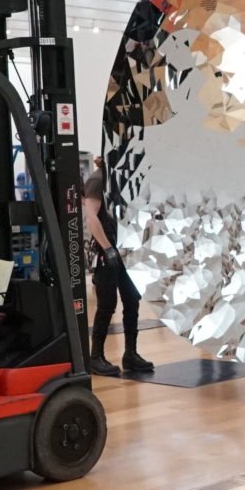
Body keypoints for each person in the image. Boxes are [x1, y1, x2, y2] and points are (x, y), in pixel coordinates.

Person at [83, 156, 153, 376]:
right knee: (107, 304)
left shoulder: (122, 180)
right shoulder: (97, 181)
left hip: (126, 250)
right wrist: (107, 248)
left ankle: (130, 354)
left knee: (132, 300)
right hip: (107, 252)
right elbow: (91, 218)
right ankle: (96, 357)